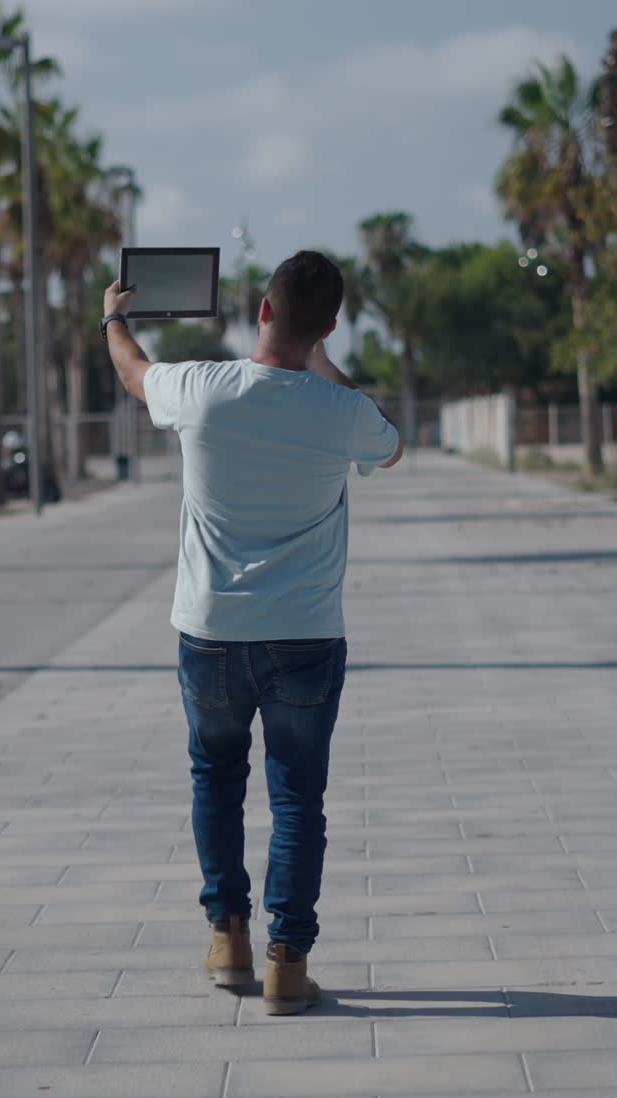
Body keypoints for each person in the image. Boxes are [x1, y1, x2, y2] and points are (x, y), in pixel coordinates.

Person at [102, 250, 402, 1015]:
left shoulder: (201, 388)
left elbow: (135, 372)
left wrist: (113, 316)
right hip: (305, 635)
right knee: (299, 798)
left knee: (217, 777)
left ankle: (226, 938)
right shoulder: (342, 413)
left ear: (261, 311)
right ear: (328, 327)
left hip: (210, 633)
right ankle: (286, 963)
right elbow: (391, 448)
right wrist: (325, 362)